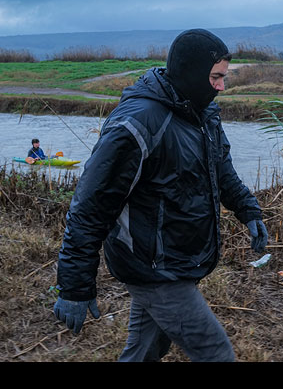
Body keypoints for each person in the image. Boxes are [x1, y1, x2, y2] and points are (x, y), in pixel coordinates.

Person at [52, 28, 268, 362]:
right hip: (153, 268)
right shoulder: (138, 124)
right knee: (216, 352)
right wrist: (74, 287)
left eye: (224, 78)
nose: (222, 87)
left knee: (146, 350)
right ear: (192, 73)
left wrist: (248, 209)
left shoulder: (202, 112)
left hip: (175, 260)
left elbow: (220, 168)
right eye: (216, 77)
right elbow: (91, 205)